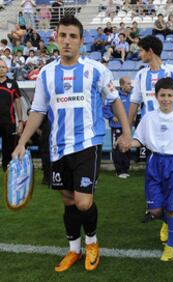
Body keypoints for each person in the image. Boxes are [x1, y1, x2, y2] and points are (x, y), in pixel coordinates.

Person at [12, 15, 131, 272]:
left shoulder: (96, 70)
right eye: (62, 35)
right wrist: (22, 142)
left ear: (81, 41)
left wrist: (127, 132)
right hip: (58, 147)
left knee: (83, 202)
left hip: (88, 143)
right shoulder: (46, 73)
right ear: (56, 38)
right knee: (67, 201)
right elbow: (38, 111)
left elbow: (115, 101)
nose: (67, 41)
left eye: (72, 36)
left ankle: (92, 243)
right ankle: (74, 249)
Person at [129, 77, 173, 262]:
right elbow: (139, 140)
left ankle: (170, 247)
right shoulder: (149, 117)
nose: (166, 98)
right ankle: (165, 223)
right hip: (154, 162)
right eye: (162, 95)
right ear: (156, 96)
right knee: (156, 210)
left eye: (169, 95)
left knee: (172, 208)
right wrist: (128, 144)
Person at [128, 35, 173, 125]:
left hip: (172, 124)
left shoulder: (172, 71)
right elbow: (134, 102)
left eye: (141, 51)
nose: (139, 54)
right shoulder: (141, 75)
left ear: (150, 51)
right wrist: (127, 129)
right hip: (149, 125)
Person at [103, 76, 132, 179]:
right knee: (117, 148)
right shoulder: (114, 96)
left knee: (127, 147)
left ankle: (125, 169)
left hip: (127, 128)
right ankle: (119, 171)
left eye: (130, 83)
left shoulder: (131, 96)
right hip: (117, 127)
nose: (130, 85)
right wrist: (112, 116)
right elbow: (105, 109)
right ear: (122, 85)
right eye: (128, 84)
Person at [0, 59, 23, 171]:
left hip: (9, 122)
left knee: (8, 149)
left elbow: (18, 102)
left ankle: (8, 172)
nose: (1, 69)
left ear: (7, 69)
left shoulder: (13, 83)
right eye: (0, 67)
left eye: (3, 67)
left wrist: (20, 122)